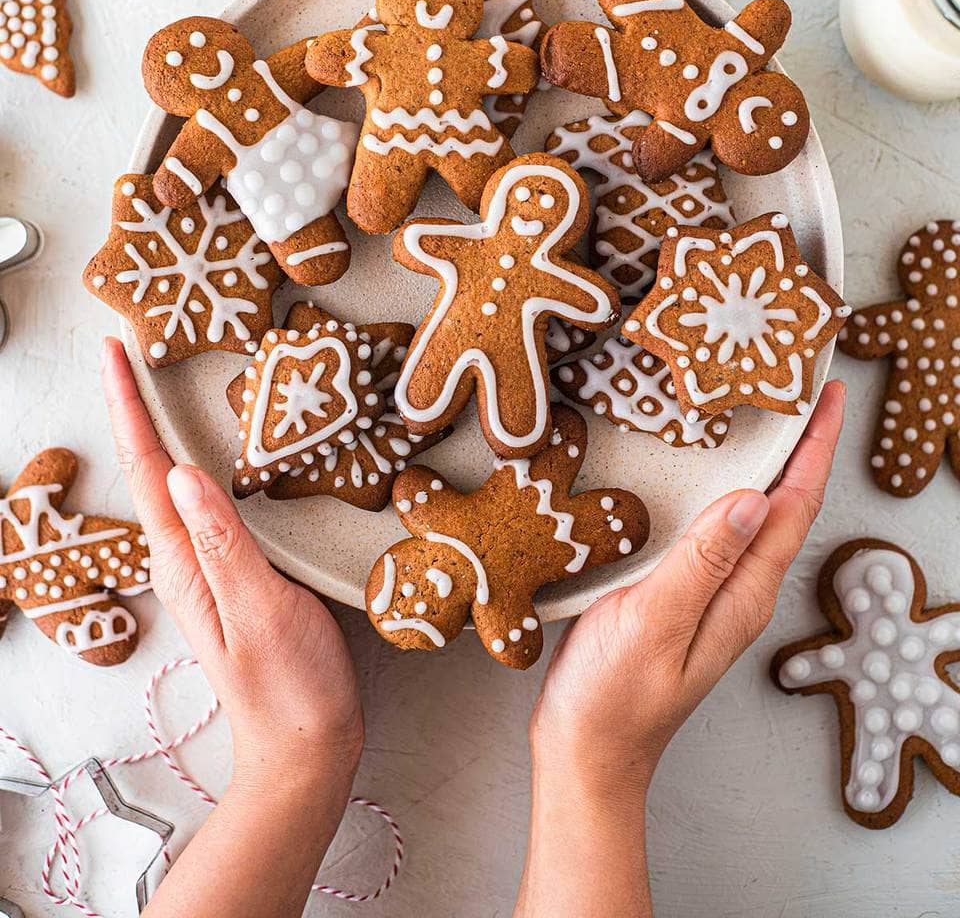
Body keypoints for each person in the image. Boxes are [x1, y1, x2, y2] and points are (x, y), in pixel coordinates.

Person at [100, 336, 845, 918]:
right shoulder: (439, 520)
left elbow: (426, 495)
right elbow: (424, 498)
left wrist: (292, 757)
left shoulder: (443, 513)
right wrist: (596, 763)